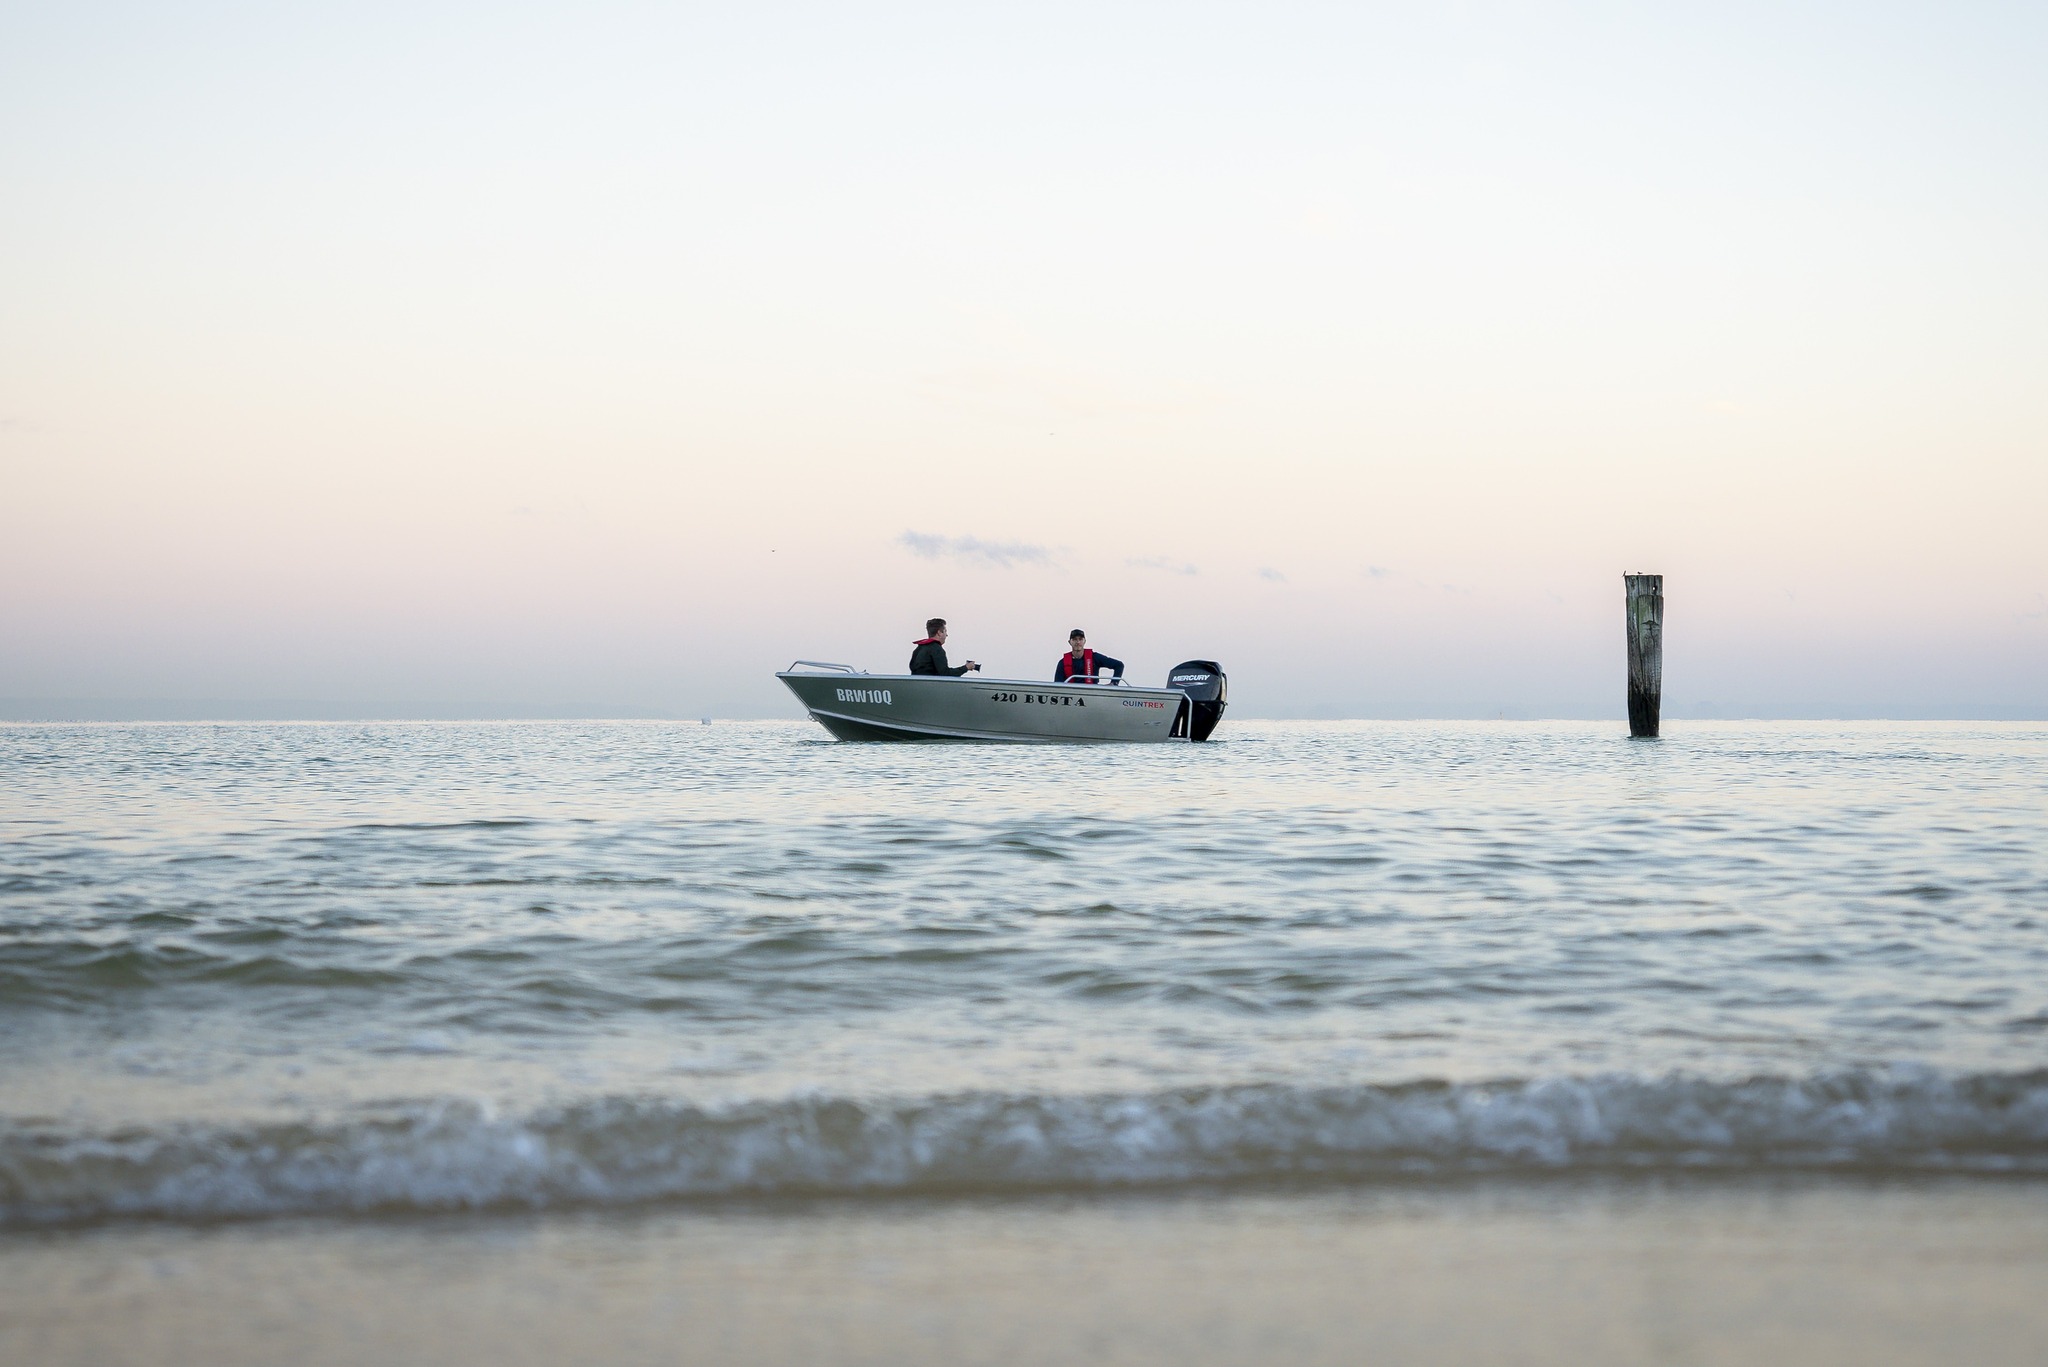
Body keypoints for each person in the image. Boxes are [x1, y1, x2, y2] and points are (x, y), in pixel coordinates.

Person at [909, 618, 979, 676]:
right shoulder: (936, 649)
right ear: (939, 633)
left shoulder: (918, 649)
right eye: (945, 631)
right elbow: (945, 674)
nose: (947, 635)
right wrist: (966, 667)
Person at [1053, 629, 1123, 684]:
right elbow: (1057, 685)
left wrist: (1114, 683)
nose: (1078, 642)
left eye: (1080, 639)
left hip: (1092, 694)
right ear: (1070, 642)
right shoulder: (1062, 663)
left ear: (1084, 641)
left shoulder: (1095, 658)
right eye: (1074, 639)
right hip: (1071, 696)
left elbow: (1119, 665)